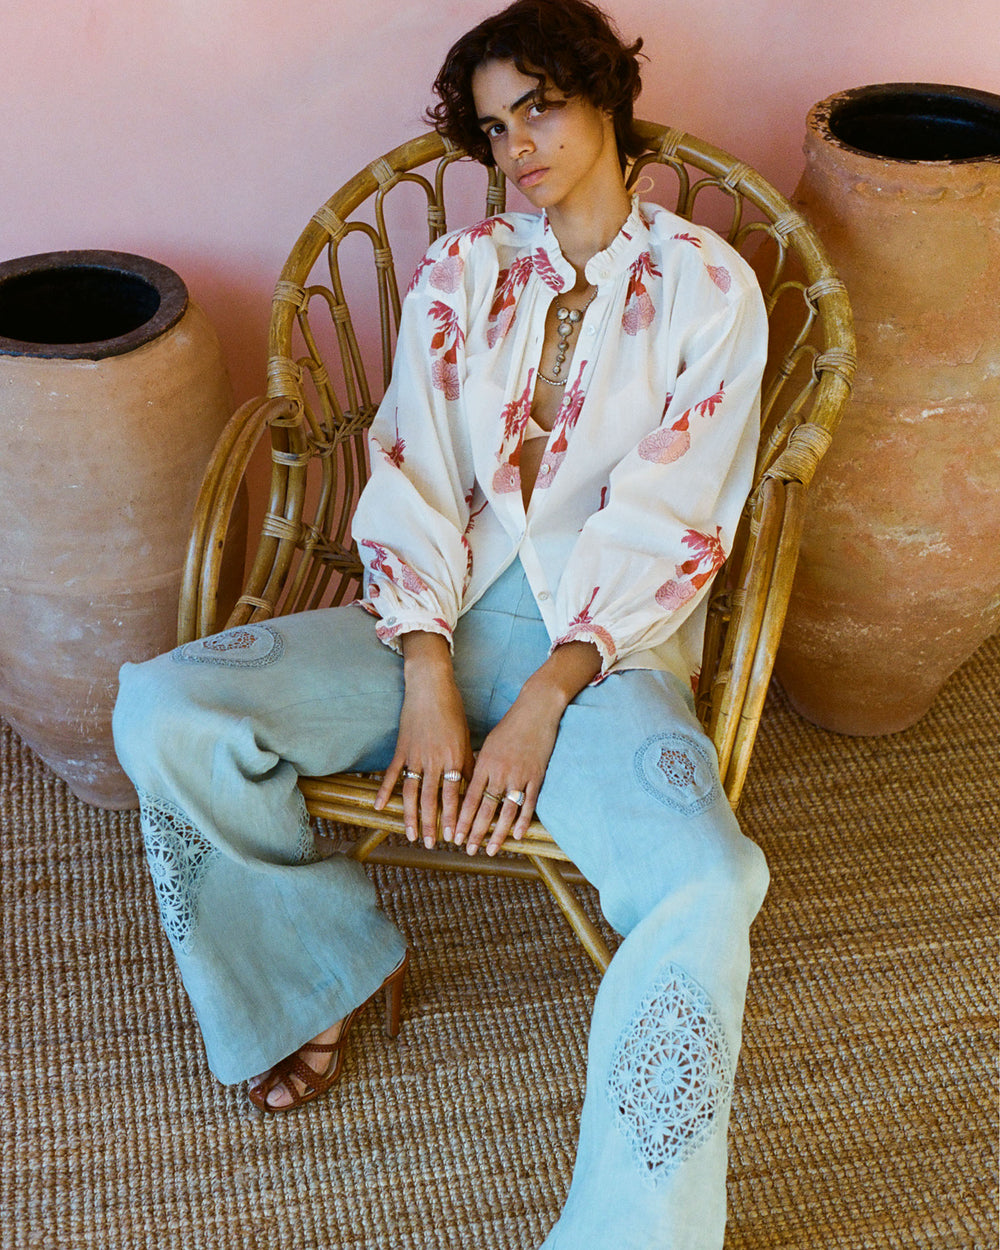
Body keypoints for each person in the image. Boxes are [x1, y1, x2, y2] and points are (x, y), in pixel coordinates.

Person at [113, 1, 770, 1245]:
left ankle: (639, 1230)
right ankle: (317, 970)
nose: (517, 143)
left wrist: (538, 705)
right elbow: (408, 469)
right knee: (168, 704)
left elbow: (678, 515)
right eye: (491, 126)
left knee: (707, 877)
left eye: (540, 106)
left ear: (602, 98)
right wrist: (425, 670)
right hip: (433, 609)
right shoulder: (460, 274)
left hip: (607, 648)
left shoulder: (711, 289)